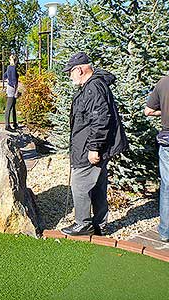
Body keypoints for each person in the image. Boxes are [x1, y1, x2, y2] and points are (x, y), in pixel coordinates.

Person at [60, 52, 128, 236]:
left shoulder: (94, 88)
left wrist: (94, 147)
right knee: (97, 185)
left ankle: (83, 224)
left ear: (80, 70)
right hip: (88, 145)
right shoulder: (92, 86)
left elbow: (101, 119)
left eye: (70, 72)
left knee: (79, 184)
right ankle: (100, 224)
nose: (69, 76)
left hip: (89, 148)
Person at [144, 75, 169, 242]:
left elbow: (148, 111)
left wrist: (163, 111)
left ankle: (165, 231)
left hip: (167, 141)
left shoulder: (163, 82)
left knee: (167, 186)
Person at [3, 54, 19, 131]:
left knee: (13, 107)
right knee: (8, 108)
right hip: (12, 89)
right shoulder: (12, 68)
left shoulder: (9, 67)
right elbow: (14, 81)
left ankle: (15, 123)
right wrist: (15, 91)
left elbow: (4, 76)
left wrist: (8, 80)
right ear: (16, 61)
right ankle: (7, 126)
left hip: (10, 88)